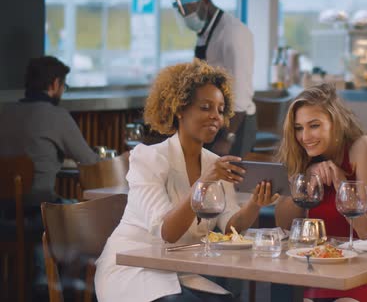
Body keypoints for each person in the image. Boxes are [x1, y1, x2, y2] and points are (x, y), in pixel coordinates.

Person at [95, 60, 277, 302]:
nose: (216, 117)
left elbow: (230, 227)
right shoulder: (148, 158)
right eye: (205, 107)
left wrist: (256, 203)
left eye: (221, 110)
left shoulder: (214, 163)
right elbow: (167, 232)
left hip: (179, 272)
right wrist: (205, 180)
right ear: (180, 109)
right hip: (132, 269)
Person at [275, 83, 367, 302]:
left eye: (314, 125)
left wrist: (341, 182)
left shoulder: (361, 147)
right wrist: (305, 180)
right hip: (321, 276)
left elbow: (364, 229)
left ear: (335, 123)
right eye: (298, 128)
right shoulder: (302, 156)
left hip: (365, 275)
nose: (305, 136)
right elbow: (284, 224)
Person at [0, 56, 99, 204]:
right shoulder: (56, 115)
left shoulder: (5, 113)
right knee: (85, 211)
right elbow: (89, 161)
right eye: (63, 86)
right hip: (41, 210)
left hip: (4, 214)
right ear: (55, 84)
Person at [174, 0, 256, 157]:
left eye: (189, 9)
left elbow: (241, 91)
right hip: (216, 120)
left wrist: (228, 137)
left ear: (205, 2)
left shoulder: (233, 33)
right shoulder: (207, 31)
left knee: (230, 182)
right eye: (183, 12)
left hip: (236, 124)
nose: (187, 15)